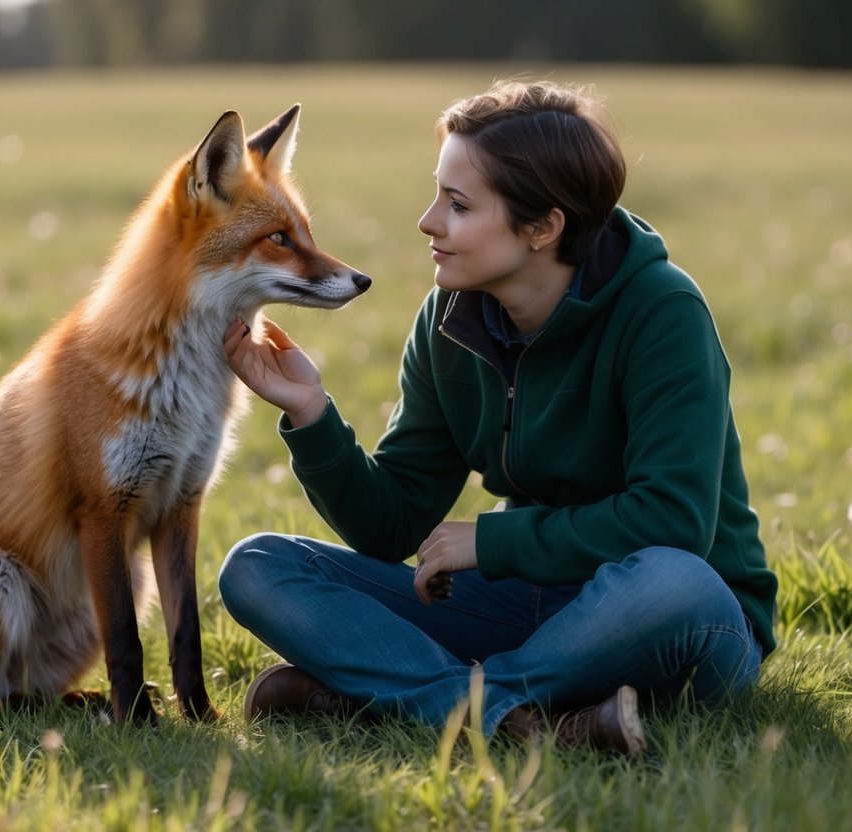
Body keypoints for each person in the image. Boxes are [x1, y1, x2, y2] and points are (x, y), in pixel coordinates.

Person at [219, 80, 777, 757]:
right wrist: (311, 414)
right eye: (437, 196)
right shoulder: (450, 319)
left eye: (456, 205)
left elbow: (673, 522)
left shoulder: (661, 311)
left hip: (676, 622)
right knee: (257, 566)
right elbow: (389, 523)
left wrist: (493, 542)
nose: (427, 221)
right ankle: (525, 719)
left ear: (542, 227)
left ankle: (427, 698)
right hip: (528, 604)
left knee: (673, 578)